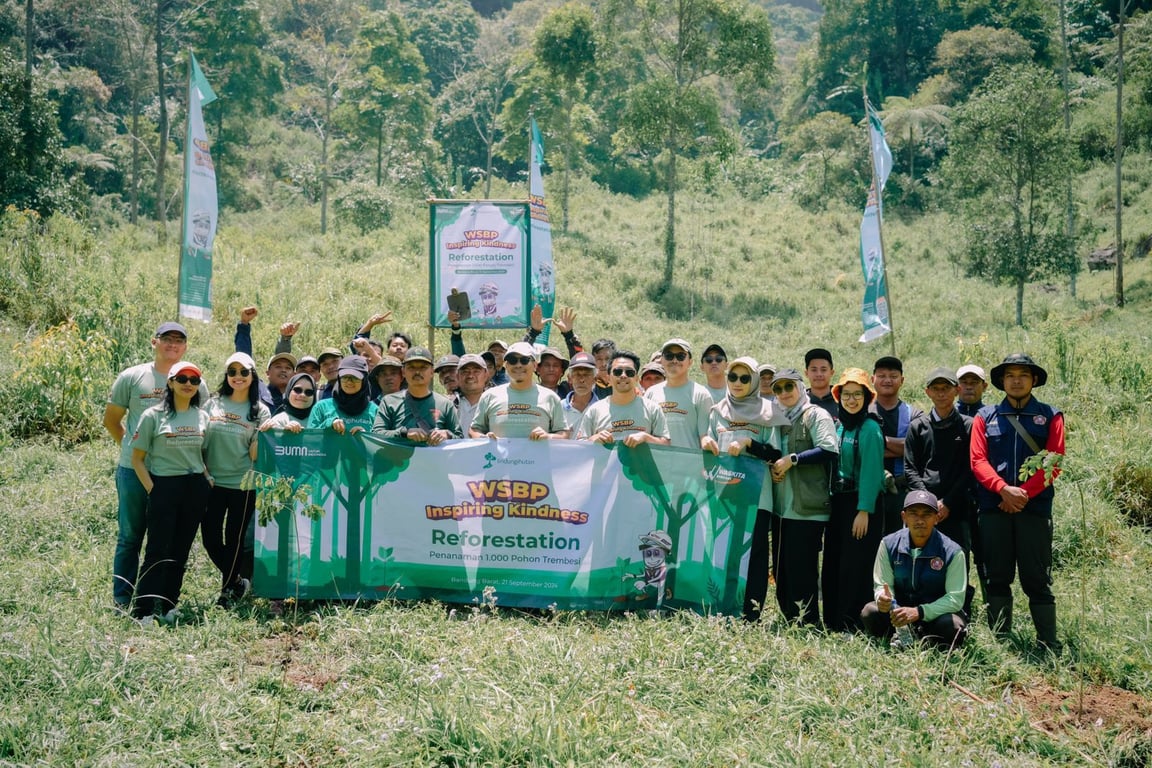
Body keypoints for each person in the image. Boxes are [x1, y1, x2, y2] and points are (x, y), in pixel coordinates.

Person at [103, 321, 203, 609]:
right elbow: (112, 420)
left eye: (179, 340)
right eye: (167, 339)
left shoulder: (193, 379)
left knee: (167, 539)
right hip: (134, 471)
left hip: (176, 477)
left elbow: (201, 422)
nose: (173, 344)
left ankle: (158, 598)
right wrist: (135, 452)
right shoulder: (132, 377)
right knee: (131, 535)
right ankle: (123, 598)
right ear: (154, 342)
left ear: (185, 346)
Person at [971, 353, 1065, 651]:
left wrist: (1022, 494)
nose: (1016, 380)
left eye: (1023, 375)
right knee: (996, 576)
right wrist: (1002, 490)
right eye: (1010, 375)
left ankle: (1048, 643)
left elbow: (1055, 460)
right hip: (994, 508)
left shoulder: (1051, 415)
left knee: (1036, 578)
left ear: (1034, 379)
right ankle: (1001, 642)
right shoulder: (985, 417)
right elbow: (977, 460)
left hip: (1034, 509)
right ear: (1001, 381)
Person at [700, 357, 787, 621]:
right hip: (724, 494)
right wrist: (706, 441)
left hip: (757, 496)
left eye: (744, 378)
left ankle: (751, 613)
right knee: (724, 549)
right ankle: (721, 607)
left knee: (756, 553)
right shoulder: (718, 410)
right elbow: (708, 441)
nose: (738, 383)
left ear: (756, 381)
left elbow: (776, 454)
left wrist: (749, 442)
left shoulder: (768, 411)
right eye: (733, 377)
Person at [128, 362, 212, 623]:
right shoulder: (153, 415)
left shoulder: (202, 416)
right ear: (171, 382)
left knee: (181, 548)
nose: (188, 384)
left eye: (194, 380)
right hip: (164, 486)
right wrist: (153, 488)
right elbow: (137, 459)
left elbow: (204, 452)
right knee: (157, 549)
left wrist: (206, 479)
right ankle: (142, 611)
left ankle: (168, 606)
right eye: (182, 378)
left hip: (194, 487)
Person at [767, 369, 839, 626]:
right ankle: (789, 621)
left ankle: (808, 624)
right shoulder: (777, 419)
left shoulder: (815, 414)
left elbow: (829, 449)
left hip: (807, 508)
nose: (784, 393)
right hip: (781, 508)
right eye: (778, 389)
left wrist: (793, 460)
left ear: (800, 387)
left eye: (789, 386)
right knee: (781, 570)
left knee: (802, 571)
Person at [904, 367, 976, 615]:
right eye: (936, 388)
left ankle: (958, 613)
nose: (941, 393)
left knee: (957, 558)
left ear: (956, 391)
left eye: (946, 388)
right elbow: (910, 469)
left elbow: (970, 469)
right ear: (927, 392)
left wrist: (948, 503)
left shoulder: (968, 426)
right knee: (920, 559)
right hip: (922, 509)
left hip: (956, 508)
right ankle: (918, 612)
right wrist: (928, 505)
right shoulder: (917, 426)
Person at [202, 352, 270, 607]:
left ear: (253, 376)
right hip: (211, 482)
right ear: (226, 376)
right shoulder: (213, 403)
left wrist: (261, 434)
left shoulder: (260, 411)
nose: (238, 377)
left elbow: (255, 453)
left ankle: (227, 592)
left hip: (244, 485)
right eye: (232, 372)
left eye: (244, 372)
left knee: (235, 539)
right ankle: (239, 580)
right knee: (209, 538)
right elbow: (200, 442)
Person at [861, 490, 968, 650]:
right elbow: (882, 584)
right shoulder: (888, 544)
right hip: (899, 614)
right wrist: (883, 599)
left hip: (934, 615)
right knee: (870, 611)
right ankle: (898, 638)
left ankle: (928, 643)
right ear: (904, 517)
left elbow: (955, 599)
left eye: (927, 514)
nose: (920, 520)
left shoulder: (953, 551)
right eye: (913, 514)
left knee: (953, 626)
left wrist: (919, 612)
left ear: (937, 517)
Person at [823, 368, 886, 633]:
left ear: (866, 397)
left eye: (857, 394)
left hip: (862, 505)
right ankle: (833, 621)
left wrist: (864, 510)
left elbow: (872, 472)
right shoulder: (838, 426)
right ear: (838, 396)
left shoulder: (870, 428)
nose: (851, 400)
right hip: (838, 503)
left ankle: (853, 623)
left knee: (855, 564)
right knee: (834, 561)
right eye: (846, 394)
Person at [469, 341, 568, 439]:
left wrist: (548, 436)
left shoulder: (550, 397)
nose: (518, 365)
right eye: (512, 360)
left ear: (535, 365)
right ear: (506, 366)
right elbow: (474, 430)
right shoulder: (489, 396)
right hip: (497, 455)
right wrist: (483, 437)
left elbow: (564, 433)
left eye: (524, 360)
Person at [872, 356, 924, 535]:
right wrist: (899, 448)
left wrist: (878, 442)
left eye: (893, 376)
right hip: (868, 491)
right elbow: (859, 449)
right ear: (873, 380)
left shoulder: (914, 414)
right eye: (882, 375)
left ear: (902, 380)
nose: (887, 380)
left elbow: (915, 448)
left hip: (901, 491)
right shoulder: (863, 411)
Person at [576, 351, 670, 446]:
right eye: (617, 372)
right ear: (608, 378)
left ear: (636, 378)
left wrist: (646, 438)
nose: (623, 376)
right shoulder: (594, 410)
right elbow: (579, 446)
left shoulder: (653, 409)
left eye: (629, 372)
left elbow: (667, 444)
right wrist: (593, 439)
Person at [373, 347, 462, 443]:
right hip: (401, 457)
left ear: (432, 372)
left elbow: (460, 439)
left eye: (423, 367)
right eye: (411, 367)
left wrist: (447, 434)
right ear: (403, 372)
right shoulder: (389, 401)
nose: (417, 372)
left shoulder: (445, 404)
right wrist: (404, 433)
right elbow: (376, 434)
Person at [644, 339, 714, 450]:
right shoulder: (650, 393)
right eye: (669, 356)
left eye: (680, 356)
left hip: (690, 465)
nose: (674, 360)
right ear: (662, 360)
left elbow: (704, 436)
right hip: (656, 465)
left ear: (690, 362)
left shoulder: (701, 394)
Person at [308, 355, 378, 434]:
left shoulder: (375, 411)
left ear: (364, 380)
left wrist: (366, 436)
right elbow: (309, 439)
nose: (349, 382)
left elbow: (381, 443)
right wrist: (328, 424)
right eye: (345, 377)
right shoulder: (321, 407)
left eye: (355, 378)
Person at [561, 352, 599, 433]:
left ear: (595, 379)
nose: (582, 380)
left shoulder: (602, 408)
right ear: (569, 378)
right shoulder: (559, 408)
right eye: (577, 374)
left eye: (587, 375)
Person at [453, 354, 489, 434]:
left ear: (486, 375)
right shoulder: (448, 404)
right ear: (457, 376)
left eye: (476, 371)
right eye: (465, 372)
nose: (470, 376)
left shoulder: (494, 402)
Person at [804, 348, 837, 420]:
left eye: (823, 370)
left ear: (831, 373)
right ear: (806, 373)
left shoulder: (842, 399)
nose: (819, 374)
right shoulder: (801, 402)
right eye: (814, 370)